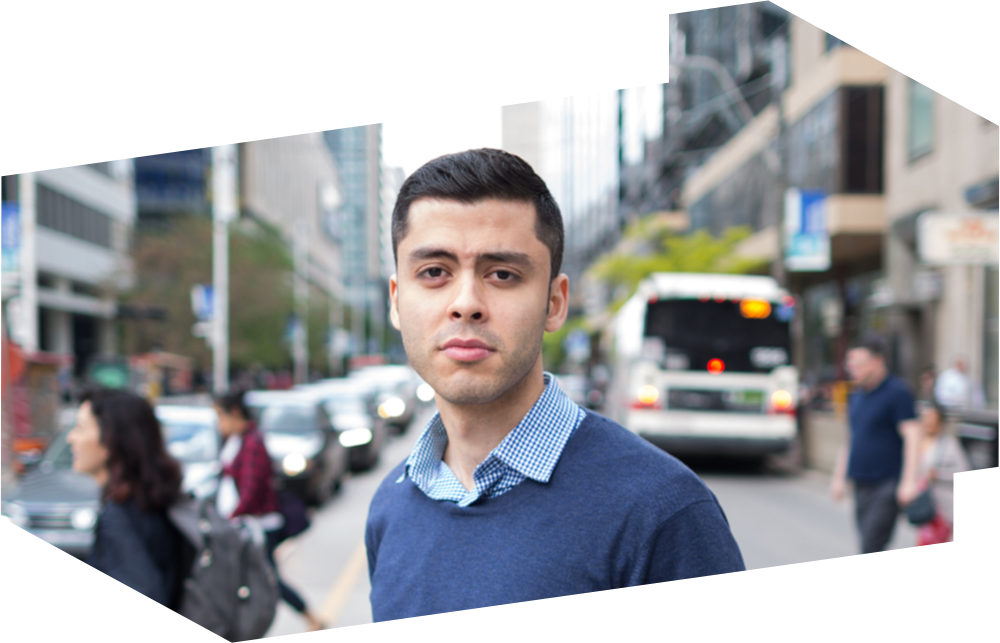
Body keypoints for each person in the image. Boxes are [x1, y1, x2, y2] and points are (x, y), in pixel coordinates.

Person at [365, 149, 746, 623]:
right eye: (434, 272)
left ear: (555, 303)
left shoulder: (663, 513)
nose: (466, 303)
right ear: (398, 302)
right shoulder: (390, 506)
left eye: (502, 274)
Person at [67, 387, 189, 610]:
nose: (71, 437)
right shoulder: (157, 500)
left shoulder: (119, 517)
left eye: (80, 427)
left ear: (110, 440)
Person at [213, 390, 325, 633]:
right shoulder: (236, 440)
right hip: (244, 524)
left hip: (259, 525)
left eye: (220, 416)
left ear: (235, 413)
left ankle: (310, 617)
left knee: (268, 580)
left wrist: (233, 516)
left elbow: (251, 489)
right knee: (255, 578)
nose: (218, 423)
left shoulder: (252, 442)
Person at [830, 340, 923, 554]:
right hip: (861, 482)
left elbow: (913, 435)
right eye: (850, 364)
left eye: (859, 364)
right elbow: (850, 439)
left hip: (887, 483)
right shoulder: (856, 396)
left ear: (877, 362)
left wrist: (909, 482)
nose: (853, 369)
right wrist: (838, 477)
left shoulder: (898, 393)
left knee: (871, 544)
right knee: (867, 541)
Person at [915, 399, 968, 545]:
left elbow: (963, 469)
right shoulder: (917, 442)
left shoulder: (949, 444)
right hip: (924, 504)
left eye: (933, 419)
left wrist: (939, 474)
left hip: (942, 507)